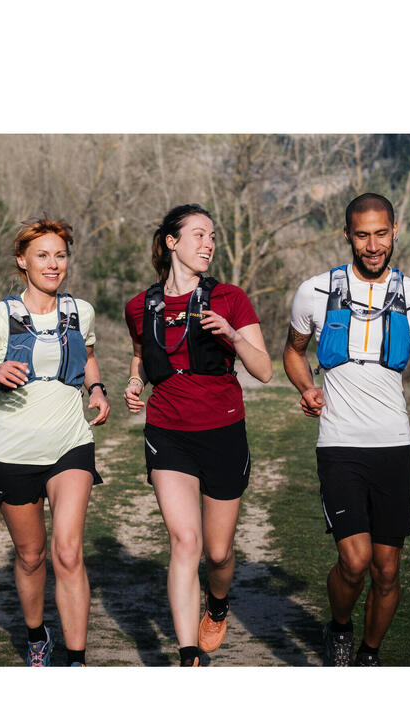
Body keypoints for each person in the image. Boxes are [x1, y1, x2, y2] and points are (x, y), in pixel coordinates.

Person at [283, 193, 410, 666]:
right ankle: (338, 627)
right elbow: (293, 351)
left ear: (395, 231)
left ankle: (368, 656)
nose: (372, 245)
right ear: (347, 236)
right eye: (362, 235)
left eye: (381, 233)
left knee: (388, 569)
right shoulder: (315, 291)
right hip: (339, 444)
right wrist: (306, 386)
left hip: (394, 445)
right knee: (354, 562)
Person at [0, 216, 109, 666]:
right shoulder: (1, 316)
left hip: (70, 444)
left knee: (68, 551)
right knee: (32, 555)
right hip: (15, 452)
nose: (53, 264)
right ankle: (38, 634)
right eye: (43, 255)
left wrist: (96, 389)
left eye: (60, 255)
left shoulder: (81, 311)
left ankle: (75, 659)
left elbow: (89, 357)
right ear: (23, 261)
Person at [123, 204, 272, 666]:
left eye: (213, 237)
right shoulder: (140, 305)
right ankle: (189, 655)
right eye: (199, 235)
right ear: (171, 242)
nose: (209, 244)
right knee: (185, 541)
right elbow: (142, 356)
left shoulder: (230, 298)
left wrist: (232, 334)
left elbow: (264, 370)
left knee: (219, 552)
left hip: (224, 430)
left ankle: (219, 601)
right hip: (168, 432)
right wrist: (134, 382)